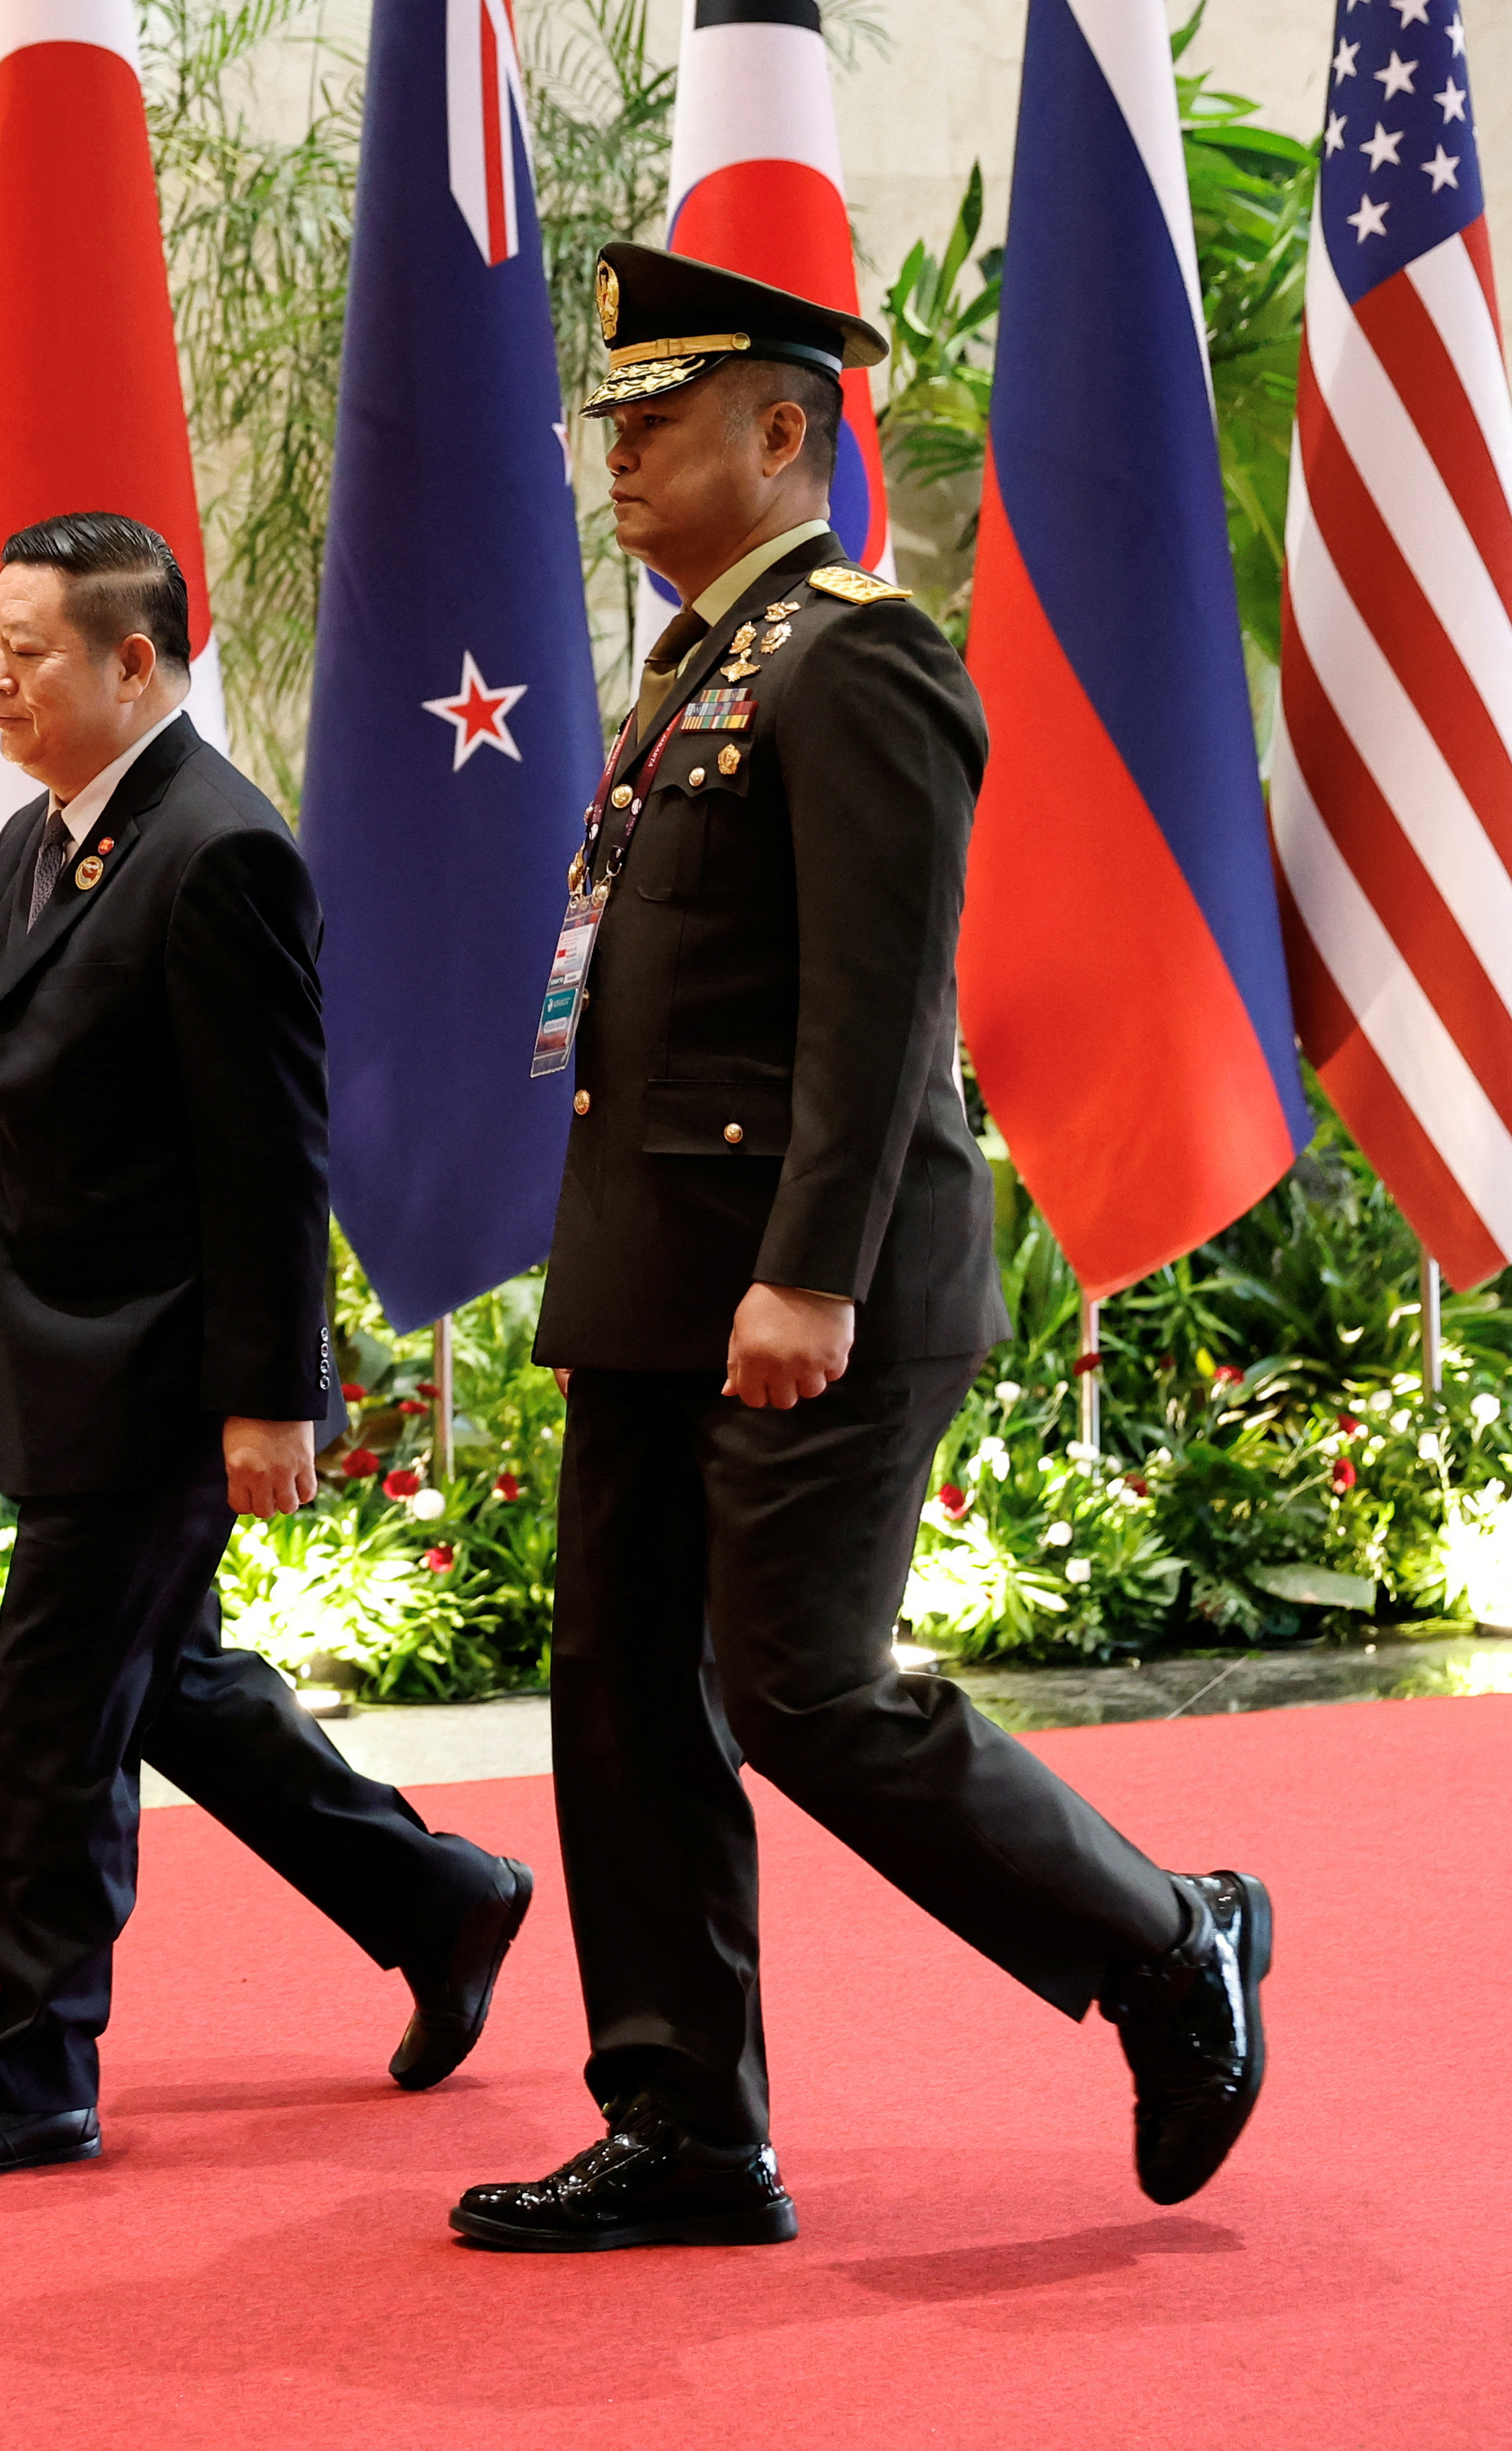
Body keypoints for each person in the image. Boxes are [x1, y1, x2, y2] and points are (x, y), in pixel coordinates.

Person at [448, 244, 1271, 2253]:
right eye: (612, 425)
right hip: (656, 1272)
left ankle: (1168, 1943)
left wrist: (805, 1268)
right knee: (625, 1695)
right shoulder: (692, 672)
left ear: (785, 429)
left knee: (799, 1686)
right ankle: (684, 2125)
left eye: (656, 422)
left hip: (818, 1275)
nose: (616, 458)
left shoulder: (860, 657)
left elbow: (882, 1006)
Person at [0, 512, 533, 2183]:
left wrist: (268, 1397)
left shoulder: (223, 850)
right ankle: (438, 1896)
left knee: (60, 1697)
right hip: (51, 1349)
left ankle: (38, 2058)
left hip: (158, 1375)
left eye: (29, 650)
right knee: (177, 1691)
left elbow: (272, 1157)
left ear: (133, 661)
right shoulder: (38, 839)